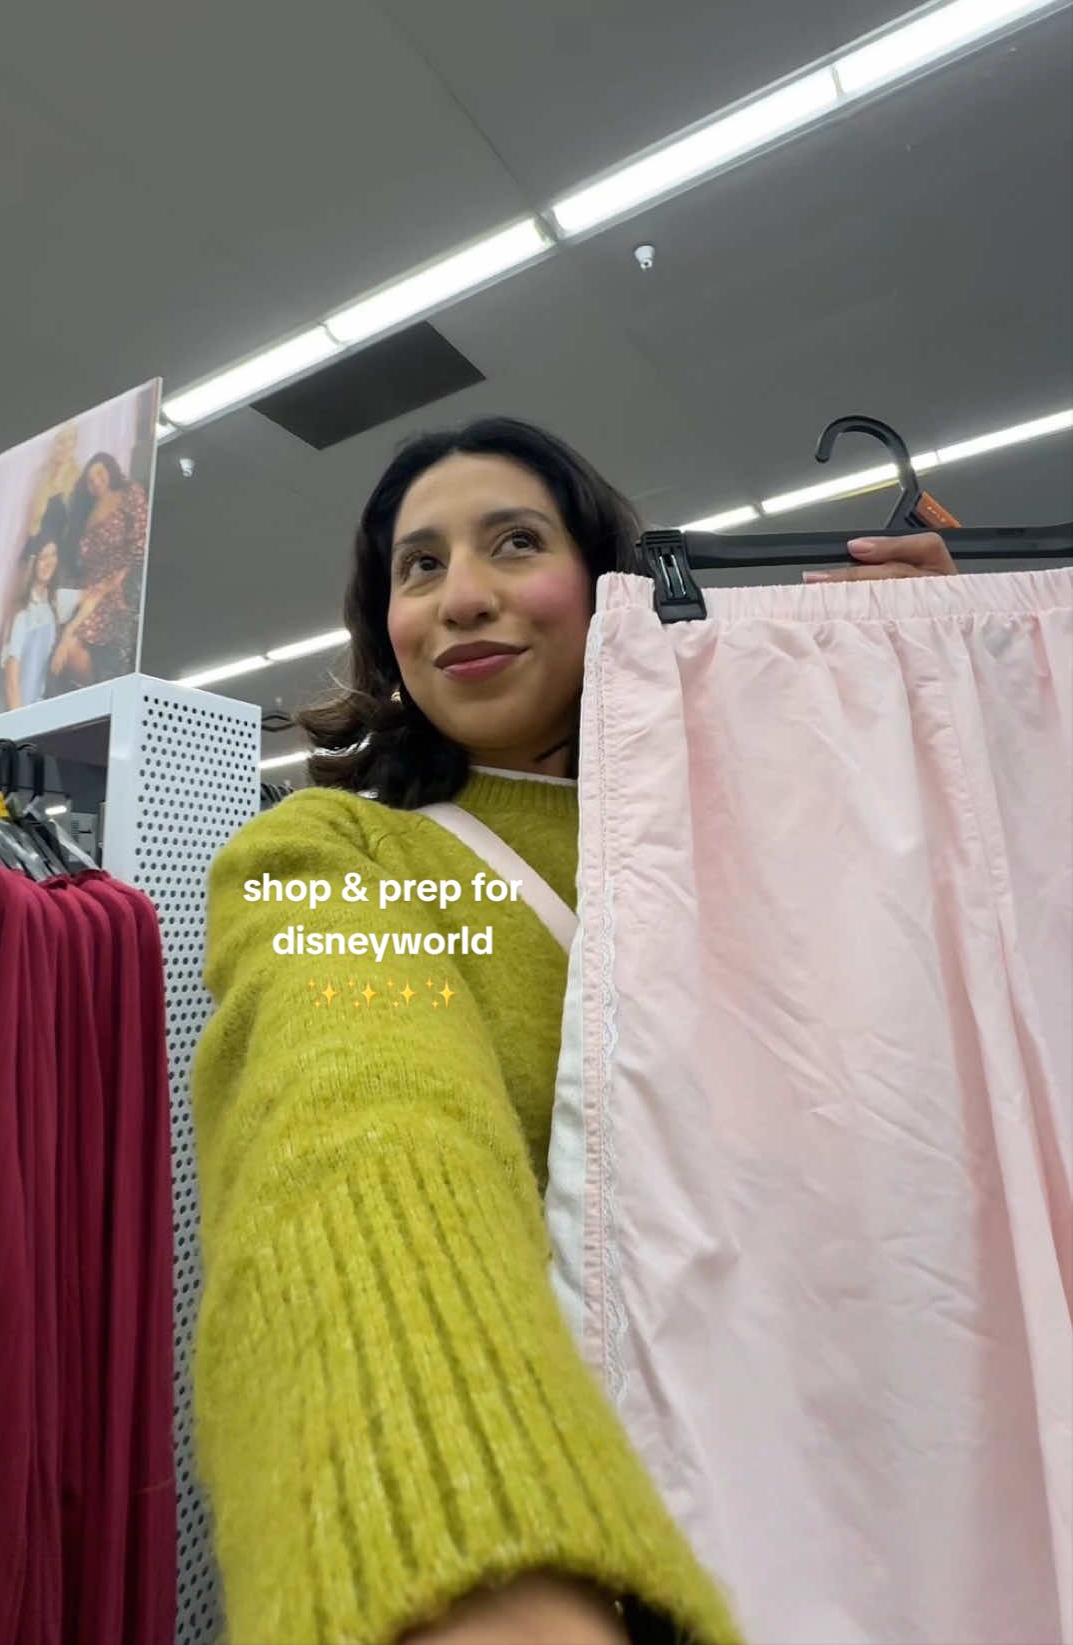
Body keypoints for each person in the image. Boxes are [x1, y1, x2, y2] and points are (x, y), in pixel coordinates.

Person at [191, 416, 958, 1645]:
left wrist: (932, 714)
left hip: (887, 1483)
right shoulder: (333, 855)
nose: (462, 595)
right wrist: (457, 1543)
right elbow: (352, 1120)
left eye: (513, 543)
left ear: (607, 582)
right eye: (419, 565)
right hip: (608, 1533)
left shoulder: (764, 821)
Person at [49, 450, 148, 686]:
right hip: (91, 591)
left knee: (70, 643)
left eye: (100, 473)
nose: (95, 480)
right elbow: (81, 567)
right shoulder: (85, 517)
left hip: (120, 584)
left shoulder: (129, 493)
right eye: (90, 479)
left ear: (110, 471)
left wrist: (117, 580)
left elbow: (140, 542)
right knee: (66, 649)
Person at [0, 536, 83, 709]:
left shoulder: (55, 601)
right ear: (32, 563)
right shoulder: (21, 612)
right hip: (20, 711)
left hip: (42, 707)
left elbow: (96, 594)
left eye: (53, 555)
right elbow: (11, 681)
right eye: (43, 557)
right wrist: (19, 720)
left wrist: (67, 636)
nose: (49, 563)